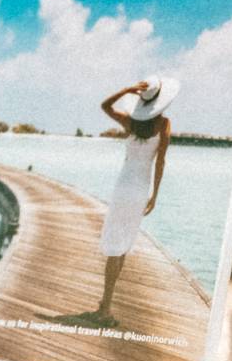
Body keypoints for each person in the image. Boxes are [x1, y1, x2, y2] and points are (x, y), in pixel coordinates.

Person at [70, 78, 174, 326]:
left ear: (142, 100)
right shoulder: (164, 124)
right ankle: (105, 307)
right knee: (123, 246)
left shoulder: (130, 122)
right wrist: (155, 195)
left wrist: (126, 90)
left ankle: (105, 308)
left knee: (115, 247)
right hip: (140, 189)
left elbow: (104, 106)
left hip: (122, 187)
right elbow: (160, 162)